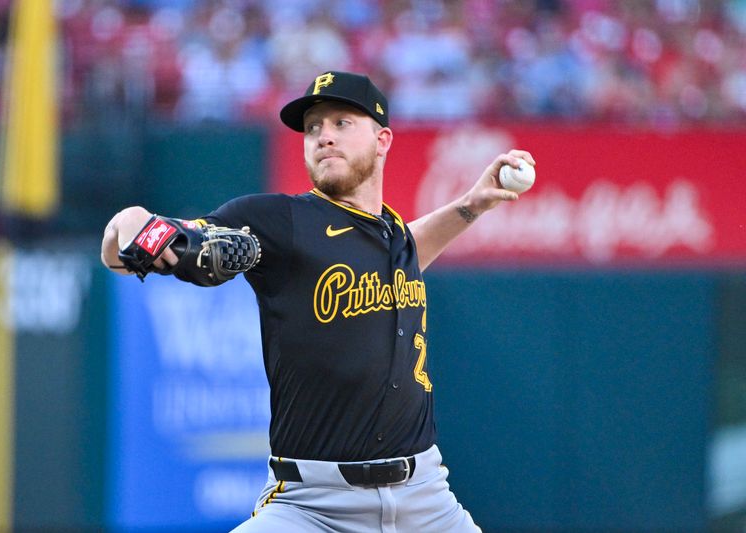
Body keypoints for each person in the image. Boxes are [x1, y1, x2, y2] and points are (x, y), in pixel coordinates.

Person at [101, 71, 535, 532]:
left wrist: (471, 205)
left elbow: (410, 248)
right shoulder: (279, 221)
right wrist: (133, 225)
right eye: (313, 128)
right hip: (313, 506)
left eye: (341, 123)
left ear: (382, 139)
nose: (324, 137)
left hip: (425, 499)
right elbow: (139, 247)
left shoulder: (390, 234)